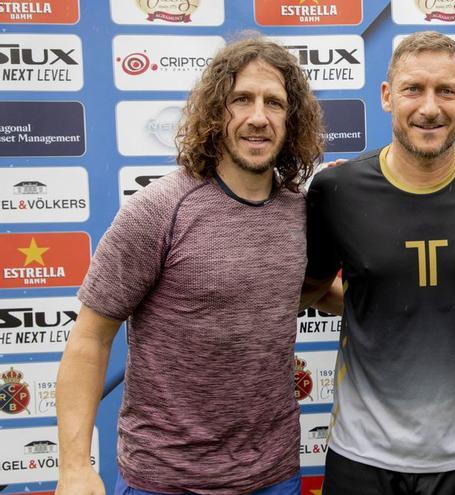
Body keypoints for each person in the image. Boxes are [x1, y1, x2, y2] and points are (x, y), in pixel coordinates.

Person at [55, 36, 324, 495]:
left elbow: (300, 290)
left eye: (273, 103)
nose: (257, 117)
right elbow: (90, 339)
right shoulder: (159, 209)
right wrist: (75, 468)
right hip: (165, 479)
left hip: (273, 474)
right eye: (242, 99)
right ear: (217, 111)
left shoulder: (301, 212)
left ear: (290, 118)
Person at [300, 31, 455, 495]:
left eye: (446, 90)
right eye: (413, 89)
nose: (430, 108)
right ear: (387, 96)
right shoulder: (336, 191)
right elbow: (310, 291)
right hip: (363, 452)